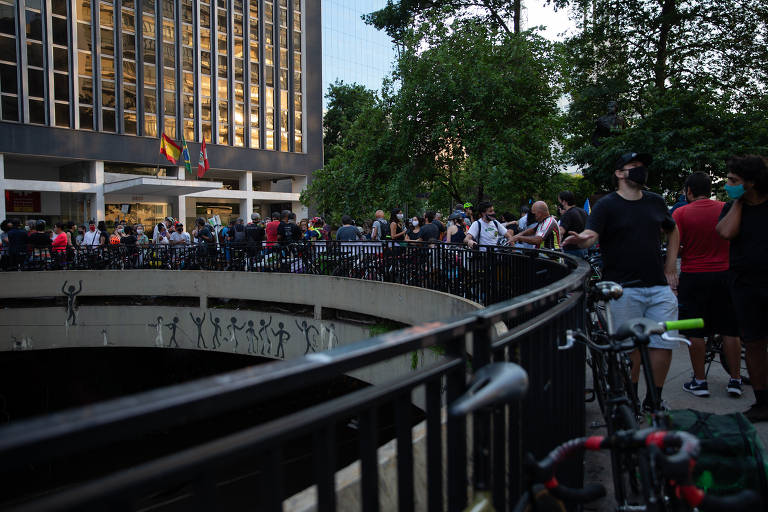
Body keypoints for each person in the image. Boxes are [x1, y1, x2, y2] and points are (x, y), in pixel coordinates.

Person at [563, 152, 679, 412]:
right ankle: (631, 401)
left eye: (642, 166)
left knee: (662, 344)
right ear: (619, 173)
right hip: (622, 290)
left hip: (658, 287)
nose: (640, 170)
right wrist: (583, 240)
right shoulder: (606, 205)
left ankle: (655, 401)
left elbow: (672, 229)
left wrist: (671, 266)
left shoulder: (656, 202)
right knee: (629, 350)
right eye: (634, 166)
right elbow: (592, 234)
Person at [670, 171, 742, 398]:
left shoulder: (680, 213)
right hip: (726, 275)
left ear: (689, 191)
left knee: (695, 332)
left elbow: (676, 246)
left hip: (694, 277)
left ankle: (700, 381)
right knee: (731, 329)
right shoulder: (726, 208)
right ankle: (736, 380)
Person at [716, 155, 768, 422]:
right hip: (745, 286)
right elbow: (725, 233)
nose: (728, 184)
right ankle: (762, 402)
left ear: (753, 182)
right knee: (755, 343)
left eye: (734, 181)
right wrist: (738, 200)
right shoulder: (733, 207)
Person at [557, 191, 588, 257]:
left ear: (564, 202)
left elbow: (561, 231)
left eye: (560, 201)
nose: (560, 204)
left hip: (571, 250)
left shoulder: (568, 214)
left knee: (571, 267)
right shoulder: (583, 211)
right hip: (584, 248)